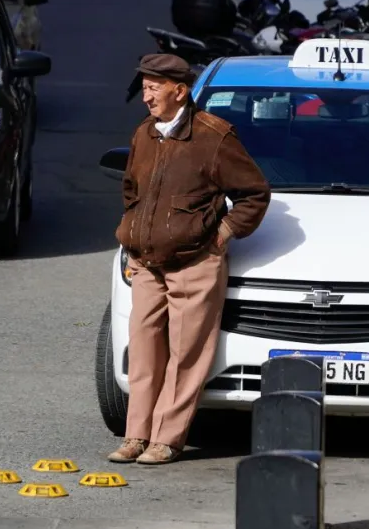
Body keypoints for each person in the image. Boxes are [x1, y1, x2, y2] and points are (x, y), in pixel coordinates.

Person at [108, 53, 271, 465]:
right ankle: (135, 436)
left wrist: (223, 234)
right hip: (147, 262)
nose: (145, 97)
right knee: (144, 349)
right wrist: (131, 239)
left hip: (195, 263)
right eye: (144, 88)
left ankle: (167, 439)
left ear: (179, 91)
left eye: (153, 88)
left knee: (186, 354)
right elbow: (131, 191)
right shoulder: (144, 133)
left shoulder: (214, 137)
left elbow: (254, 194)